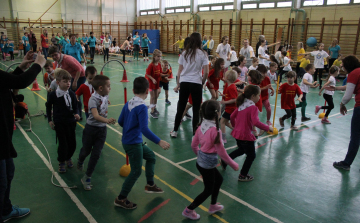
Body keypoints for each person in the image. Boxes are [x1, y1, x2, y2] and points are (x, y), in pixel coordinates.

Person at [0, 51, 45, 223]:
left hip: (4, 138)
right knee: (1, 182)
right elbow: (20, 82)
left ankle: (6, 209)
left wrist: (20, 67)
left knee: (8, 173)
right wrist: (38, 64)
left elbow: (7, 81)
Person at [114, 77, 170, 209]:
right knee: (135, 172)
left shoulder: (128, 103)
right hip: (133, 144)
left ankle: (150, 184)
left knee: (151, 157)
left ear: (133, 90)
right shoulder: (142, 108)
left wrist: (131, 126)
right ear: (147, 90)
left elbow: (121, 121)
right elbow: (144, 129)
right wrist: (159, 141)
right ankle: (121, 198)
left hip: (131, 141)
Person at [182, 100, 239, 220]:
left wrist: (201, 156)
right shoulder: (215, 131)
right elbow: (222, 153)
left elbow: (194, 145)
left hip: (202, 162)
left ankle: (213, 205)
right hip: (207, 164)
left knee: (218, 180)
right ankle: (189, 210)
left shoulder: (201, 125)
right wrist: (233, 164)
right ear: (218, 113)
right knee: (208, 190)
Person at [220, 85, 272, 181]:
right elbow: (256, 122)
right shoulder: (253, 107)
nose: (259, 97)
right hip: (245, 135)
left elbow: (232, 117)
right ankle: (243, 175)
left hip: (237, 134)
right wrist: (268, 128)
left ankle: (225, 161)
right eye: (258, 95)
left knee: (242, 150)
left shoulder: (241, 105)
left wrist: (235, 126)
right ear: (253, 96)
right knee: (251, 155)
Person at [77, 75, 116, 190]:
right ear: (100, 88)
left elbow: (104, 100)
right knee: (86, 151)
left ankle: (87, 177)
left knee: (96, 154)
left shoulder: (105, 94)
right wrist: (107, 120)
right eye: (108, 86)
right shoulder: (92, 99)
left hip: (102, 130)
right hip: (91, 129)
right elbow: (95, 115)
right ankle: (80, 160)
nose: (110, 88)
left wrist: (106, 100)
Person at [171, 32, 209, 137]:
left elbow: (179, 71)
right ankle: (194, 134)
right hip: (196, 82)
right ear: (200, 41)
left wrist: (178, 84)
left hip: (184, 82)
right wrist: (202, 82)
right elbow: (206, 72)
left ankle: (175, 131)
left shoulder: (184, 53)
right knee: (196, 110)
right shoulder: (203, 54)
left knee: (181, 107)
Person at [46, 68, 80, 172]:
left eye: (69, 81)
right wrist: (50, 120)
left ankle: (68, 157)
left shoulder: (71, 94)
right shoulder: (53, 95)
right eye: (65, 82)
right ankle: (61, 161)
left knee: (72, 144)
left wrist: (77, 113)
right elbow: (48, 107)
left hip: (71, 122)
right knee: (63, 144)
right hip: (60, 122)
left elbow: (75, 106)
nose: (68, 83)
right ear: (58, 82)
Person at [331, 56, 360, 170]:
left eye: (342, 65)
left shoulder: (354, 73)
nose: (342, 67)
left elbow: (348, 95)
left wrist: (342, 104)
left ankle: (346, 163)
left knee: (355, 137)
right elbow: (349, 87)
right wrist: (337, 88)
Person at [49, 45, 86, 119]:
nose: (54, 57)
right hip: (72, 76)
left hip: (80, 76)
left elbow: (79, 69)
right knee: (70, 93)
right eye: (52, 56)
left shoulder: (67, 59)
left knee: (76, 94)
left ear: (59, 53)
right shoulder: (57, 62)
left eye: (55, 55)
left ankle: (79, 114)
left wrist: (75, 82)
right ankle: (71, 110)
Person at [219, 70, 238, 143]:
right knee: (226, 122)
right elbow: (230, 96)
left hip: (231, 109)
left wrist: (224, 102)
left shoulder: (231, 87)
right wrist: (224, 95)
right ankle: (236, 130)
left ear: (227, 77)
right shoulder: (229, 86)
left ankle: (223, 138)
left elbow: (234, 99)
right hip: (229, 108)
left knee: (222, 121)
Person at [145, 49, 162, 118]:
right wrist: (152, 79)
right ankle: (152, 111)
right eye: (158, 56)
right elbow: (147, 74)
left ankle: (154, 108)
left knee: (156, 96)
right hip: (151, 83)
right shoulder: (151, 65)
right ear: (154, 56)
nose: (159, 58)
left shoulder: (159, 64)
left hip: (157, 83)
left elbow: (160, 73)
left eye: (160, 56)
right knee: (152, 96)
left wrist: (165, 77)